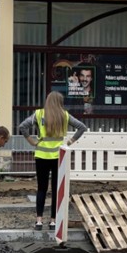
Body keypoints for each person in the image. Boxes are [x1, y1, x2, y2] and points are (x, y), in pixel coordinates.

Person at [19, 91, 88, 230]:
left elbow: (22, 127)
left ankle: (38, 221)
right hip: (58, 157)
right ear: (60, 102)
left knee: (41, 189)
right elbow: (82, 127)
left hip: (41, 156)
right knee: (57, 189)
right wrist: (69, 142)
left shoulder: (39, 114)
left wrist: (32, 141)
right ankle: (53, 221)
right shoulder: (64, 115)